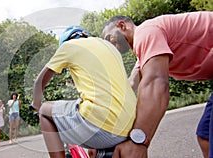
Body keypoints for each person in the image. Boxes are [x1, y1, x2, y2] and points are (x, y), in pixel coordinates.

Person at [102, 11, 213, 158]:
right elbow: (131, 85)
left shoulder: (146, 32)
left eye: (109, 38)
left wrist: (138, 141)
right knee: (206, 136)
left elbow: (155, 84)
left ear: (122, 25)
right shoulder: (144, 53)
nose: (110, 45)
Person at [31, 25, 137, 158]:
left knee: (45, 111)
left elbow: (39, 83)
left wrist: (36, 104)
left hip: (103, 127)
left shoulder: (69, 46)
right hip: (131, 127)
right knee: (92, 147)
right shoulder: (109, 47)